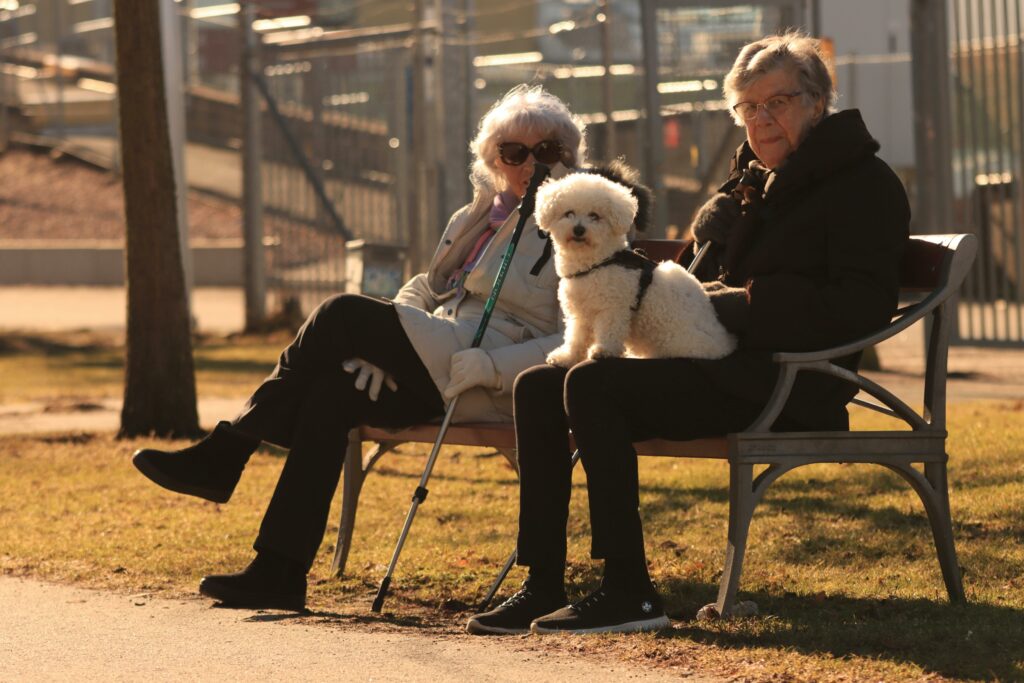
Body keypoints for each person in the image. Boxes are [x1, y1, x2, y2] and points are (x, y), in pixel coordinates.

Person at [467, 31, 910, 635]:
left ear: (816, 100)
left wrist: (743, 304)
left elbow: (860, 306)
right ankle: (542, 581)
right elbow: (695, 289)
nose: (761, 120)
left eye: (776, 102)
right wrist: (706, 239)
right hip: (716, 361)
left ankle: (629, 591)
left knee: (595, 384)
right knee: (540, 386)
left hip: (788, 378)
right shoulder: (755, 179)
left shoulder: (864, 184)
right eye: (748, 107)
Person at [131, 84, 587, 611]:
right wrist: (383, 348)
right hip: (436, 352)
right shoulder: (476, 216)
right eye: (515, 153)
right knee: (331, 391)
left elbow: (577, 338)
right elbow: (432, 287)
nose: (530, 164)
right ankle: (278, 571)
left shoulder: (576, 225)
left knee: (339, 312)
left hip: (485, 379)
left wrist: (491, 365)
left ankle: (227, 453)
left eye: (546, 152)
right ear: (495, 159)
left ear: (568, 159)